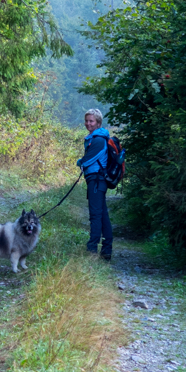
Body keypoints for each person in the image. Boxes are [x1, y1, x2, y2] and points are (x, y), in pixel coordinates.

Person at [77, 108, 113, 260]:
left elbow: (86, 160)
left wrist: (79, 162)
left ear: (98, 123)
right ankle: (106, 251)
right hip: (96, 180)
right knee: (102, 215)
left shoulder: (98, 140)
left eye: (91, 121)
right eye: (86, 120)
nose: (88, 123)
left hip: (97, 180)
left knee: (95, 215)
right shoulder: (95, 138)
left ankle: (92, 250)